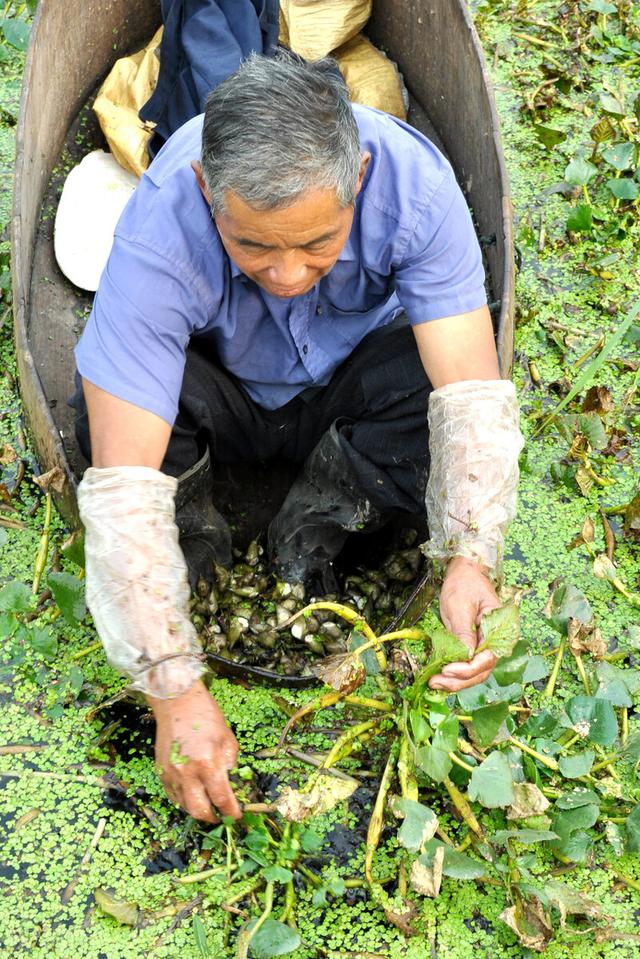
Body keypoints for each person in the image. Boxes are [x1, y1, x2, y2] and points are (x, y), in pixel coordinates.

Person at [73, 52, 523, 823]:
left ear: (359, 179)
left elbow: (470, 396)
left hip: (350, 385)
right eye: (254, 246)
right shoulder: (162, 227)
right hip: (225, 393)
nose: (286, 274)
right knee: (105, 417)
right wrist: (171, 685)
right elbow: (123, 483)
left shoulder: (414, 189)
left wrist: (471, 554)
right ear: (207, 191)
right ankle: (200, 563)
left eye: (317, 244)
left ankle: (311, 539)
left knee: (432, 391)